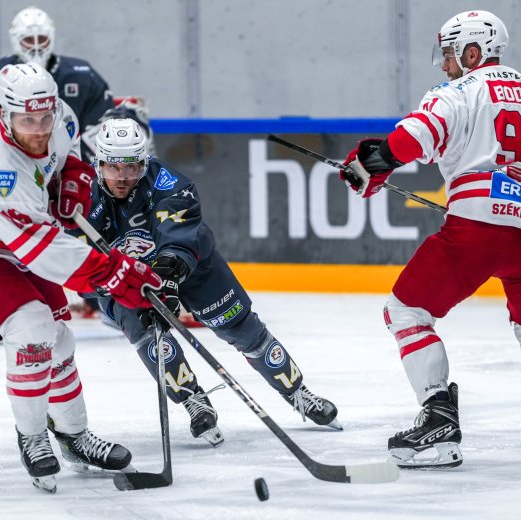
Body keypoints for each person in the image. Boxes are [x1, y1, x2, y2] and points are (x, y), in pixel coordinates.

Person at [0, 62, 163, 493]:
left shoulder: (59, 116)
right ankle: (32, 437)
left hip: (13, 238)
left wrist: (72, 181)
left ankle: (74, 437)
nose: (38, 130)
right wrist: (113, 272)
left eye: (44, 118)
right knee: (33, 330)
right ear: (3, 114)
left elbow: (67, 155)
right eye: (26, 121)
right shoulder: (0, 170)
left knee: (61, 339)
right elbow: (42, 250)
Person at [339, 10, 521, 468]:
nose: (445, 65)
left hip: (478, 228)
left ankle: (438, 419)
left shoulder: (458, 92)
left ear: (473, 52)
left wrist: (373, 163)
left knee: (406, 311)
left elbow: (413, 138)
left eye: (451, 54)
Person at [75, 118, 341, 446]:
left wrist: (168, 279)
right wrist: (115, 286)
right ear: (99, 163)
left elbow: (179, 237)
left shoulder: (170, 184)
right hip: (125, 279)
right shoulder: (80, 196)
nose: (123, 176)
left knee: (240, 326)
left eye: (131, 167)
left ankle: (297, 391)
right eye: (114, 167)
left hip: (190, 267)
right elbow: (74, 261)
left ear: (144, 162)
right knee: (149, 337)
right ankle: (193, 401)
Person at [0, 5, 114, 173]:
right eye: (28, 40)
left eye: (41, 39)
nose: (36, 47)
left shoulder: (84, 77)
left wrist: (80, 173)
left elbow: (102, 135)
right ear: (15, 40)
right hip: (8, 176)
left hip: (66, 178)